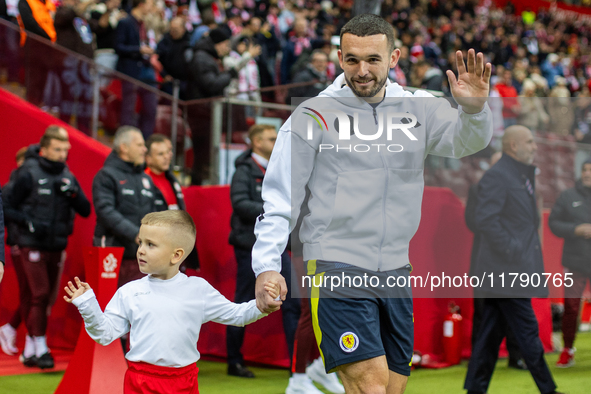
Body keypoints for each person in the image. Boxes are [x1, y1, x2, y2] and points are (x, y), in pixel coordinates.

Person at [253, 13, 493, 394]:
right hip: (335, 263)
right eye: (352, 60)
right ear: (339, 57)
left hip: (396, 268)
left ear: (394, 58)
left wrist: (475, 110)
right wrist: (266, 265)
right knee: (371, 388)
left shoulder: (418, 107)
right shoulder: (314, 114)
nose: (361, 70)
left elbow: (466, 143)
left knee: (391, 389)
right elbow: (280, 197)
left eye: (373, 60)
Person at [64, 210, 278, 394]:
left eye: (151, 244)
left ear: (176, 255)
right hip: (140, 382)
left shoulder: (198, 290)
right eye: (140, 242)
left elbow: (238, 315)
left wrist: (261, 306)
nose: (141, 250)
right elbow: (105, 334)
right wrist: (87, 304)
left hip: (185, 382)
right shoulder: (129, 292)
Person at [464, 126, 562, 394]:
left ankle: (475, 389)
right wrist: (513, 248)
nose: (535, 146)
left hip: (509, 269)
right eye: (530, 142)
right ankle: (548, 389)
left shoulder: (517, 176)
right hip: (505, 271)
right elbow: (485, 220)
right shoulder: (499, 176)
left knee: (489, 336)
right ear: (514, 146)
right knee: (528, 332)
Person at [5, 126, 91, 369]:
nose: (63, 154)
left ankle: (31, 348)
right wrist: (28, 222)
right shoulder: (28, 172)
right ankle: (41, 346)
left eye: (66, 149)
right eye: (58, 149)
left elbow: (85, 210)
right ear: (44, 149)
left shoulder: (67, 175)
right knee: (39, 293)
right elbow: (6, 204)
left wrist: (73, 194)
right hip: (29, 243)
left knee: (44, 297)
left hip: (56, 244)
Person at [226, 124, 301, 378]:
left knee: (293, 302)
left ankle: (297, 366)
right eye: (271, 138)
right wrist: (274, 209)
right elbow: (239, 204)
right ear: (257, 142)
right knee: (244, 301)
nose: (276, 141)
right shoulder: (244, 171)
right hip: (249, 246)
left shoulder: (280, 168)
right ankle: (234, 360)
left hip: (278, 247)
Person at [465, 151, 527, 371]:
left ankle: (516, 356)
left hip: (513, 260)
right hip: (486, 260)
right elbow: (473, 222)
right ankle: (479, 358)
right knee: (483, 311)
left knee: (515, 310)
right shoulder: (477, 190)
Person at [93, 126, 158, 288]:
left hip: (141, 256)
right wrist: (136, 234)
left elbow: (154, 213)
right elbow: (105, 211)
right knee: (110, 308)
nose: (145, 149)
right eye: (139, 145)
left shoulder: (146, 179)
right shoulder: (106, 175)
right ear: (124, 148)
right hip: (112, 254)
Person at [548, 158, 591, 368]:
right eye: (585, 170)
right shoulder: (568, 196)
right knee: (571, 308)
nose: (587, 174)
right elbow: (553, 223)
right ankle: (567, 349)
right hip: (575, 262)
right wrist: (575, 229)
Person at [187, 27, 238, 185]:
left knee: (206, 153)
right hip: (202, 112)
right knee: (203, 154)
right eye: (226, 44)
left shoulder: (207, 57)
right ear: (217, 43)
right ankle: (198, 187)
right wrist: (229, 75)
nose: (228, 49)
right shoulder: (202, 58)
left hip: (207, 112)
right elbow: (211, 84)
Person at [144, 134, 199, 269]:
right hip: (157, 247)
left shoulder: (172, 179)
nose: (167, 156)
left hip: (176, 244)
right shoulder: (143, 181)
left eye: (168, 152)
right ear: (148, 158)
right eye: (160, 154)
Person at [114, 0, 158, 139]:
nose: (153, 7)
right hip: (131, 71)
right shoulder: (125, 22)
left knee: (151, 109)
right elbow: (118, 46)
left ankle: (145, 142)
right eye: (151, 4)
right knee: (129, 109)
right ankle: (125, 141)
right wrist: (139, 50)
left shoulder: (144, 24)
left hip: (146, 70)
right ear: (141, 4)